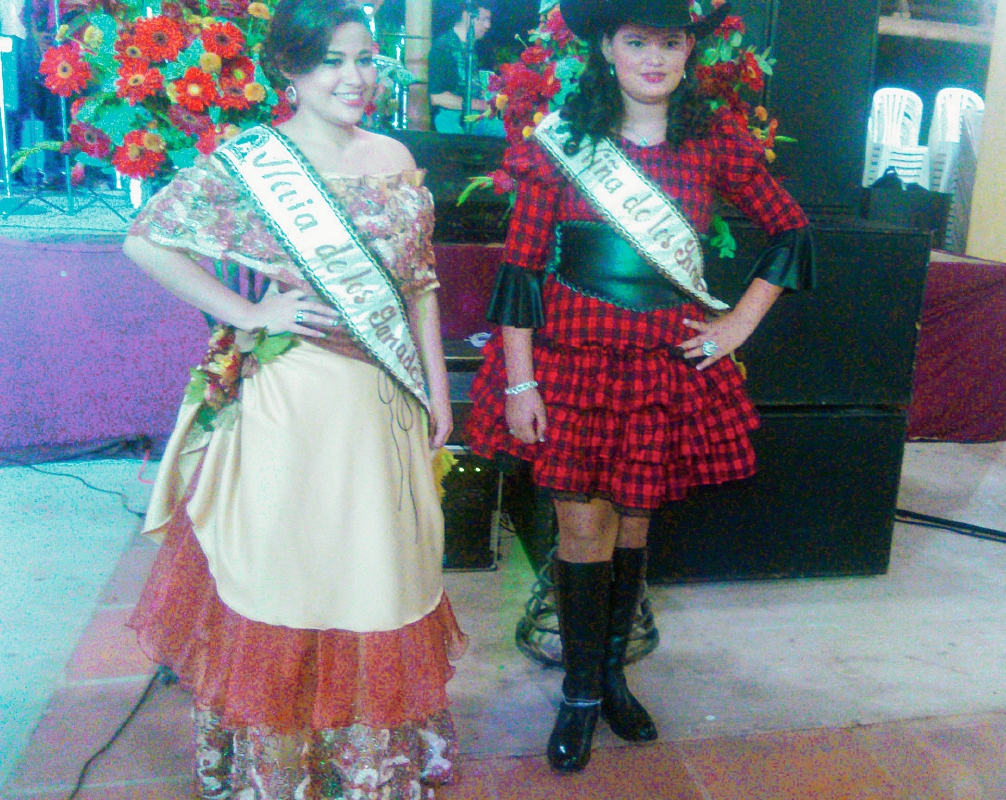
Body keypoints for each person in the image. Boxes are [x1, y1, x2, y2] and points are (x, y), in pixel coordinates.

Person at [122, 0, 467, 795]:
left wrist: (437, 389)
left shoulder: (393, 156)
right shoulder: (254, 160)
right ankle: (285, 763)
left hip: (380, 398)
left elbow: (418, 284)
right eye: (333, 61)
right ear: (290, 69)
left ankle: (363, 760)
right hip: (294, 402)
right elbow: (145, 239)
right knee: (291, 573)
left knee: (374, 574)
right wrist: (247, 312)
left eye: (366, 59)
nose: (355, 77)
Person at [465, 0, 813, 774]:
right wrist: (520, 384)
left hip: (662, 365)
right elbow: (520, 273)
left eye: (669, 41)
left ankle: (612, 678)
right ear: (606, 48)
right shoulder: (561, 145)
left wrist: (736, 327)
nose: (653, 58)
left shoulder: (713, 142)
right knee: (583, 528)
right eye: (636, 42)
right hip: (570, 360)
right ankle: (581, 696)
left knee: (633, 528)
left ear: (690, 50)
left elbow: (791, 228)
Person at [427, 0, 504, 136]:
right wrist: (481, 105)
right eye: (484, 19)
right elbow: (437, 97)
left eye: (489, 19)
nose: (488, 25)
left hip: (475, 116)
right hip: (450, 116)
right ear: (467, 16)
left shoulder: (475, 49)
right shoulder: (443, 47)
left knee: (509, 134)